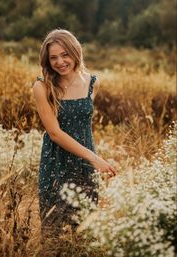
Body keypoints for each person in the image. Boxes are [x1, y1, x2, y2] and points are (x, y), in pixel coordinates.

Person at [33, 29, 117, 238]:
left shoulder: (92, 83)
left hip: (84, 165)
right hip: (56, 163)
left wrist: (91, 159)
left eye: (65, 54)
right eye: (53, 57)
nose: (60, 61)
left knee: (85, 229)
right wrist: (94, 158)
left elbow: (84, 125)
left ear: (75, 52)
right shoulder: (42, 87)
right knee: (53, 231)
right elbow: (54, 133)